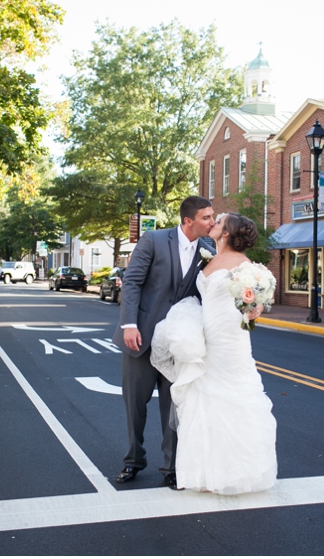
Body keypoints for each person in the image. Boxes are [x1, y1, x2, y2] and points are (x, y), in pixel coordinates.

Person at [151, 212, 277, 495]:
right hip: (205, 336)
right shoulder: (209, 257)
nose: (213, 223)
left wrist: (255, 308)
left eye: (218, 221)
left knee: (232, 396)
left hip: (230, 340)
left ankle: (240, 472)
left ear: (228, 232)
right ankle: (207, 472)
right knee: (203, 397)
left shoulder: (246, 266)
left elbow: (256, 303)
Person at [113, 196, 216, 489]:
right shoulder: (153, 240)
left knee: (175, 407)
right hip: (141, 338)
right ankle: (133, 461)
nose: (212, 222)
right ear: (188, 221)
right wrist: (129, 325)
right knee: (135, 404)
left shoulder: (209, 248)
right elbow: (131, 281)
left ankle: (172, 468)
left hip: (179, 343)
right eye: (207, 217)